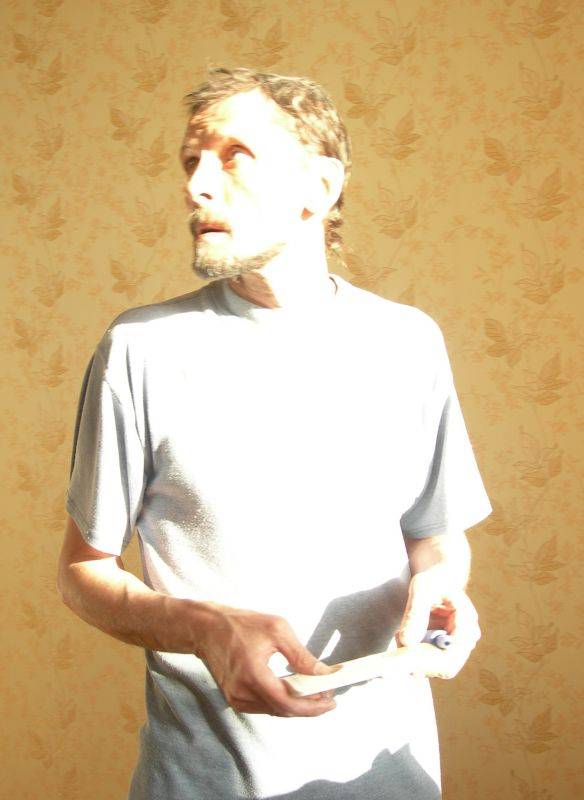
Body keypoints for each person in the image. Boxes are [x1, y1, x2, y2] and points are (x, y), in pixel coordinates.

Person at [57, 66, 493, 800]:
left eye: (233, 158)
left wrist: (443, 585)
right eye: (190, 162)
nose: (197, 186)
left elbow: (435, 535)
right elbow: (81, 574)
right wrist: (203, 627)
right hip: (204, 783)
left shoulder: (409, 342)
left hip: (390, 775)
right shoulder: (140, 349)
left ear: (318, 188)